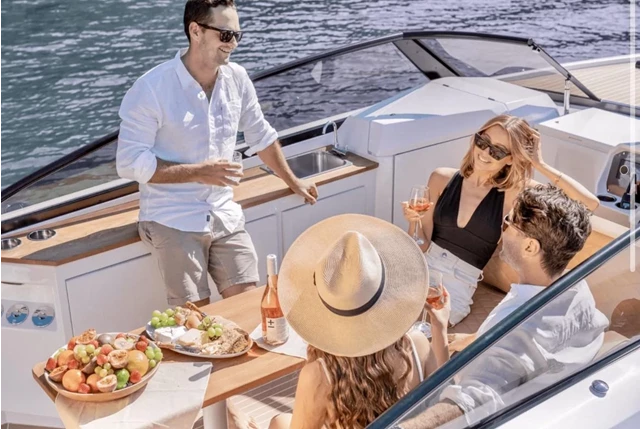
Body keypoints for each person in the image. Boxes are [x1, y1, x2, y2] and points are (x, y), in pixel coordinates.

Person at [116, 0, 318, 306]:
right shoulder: (151, 89)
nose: (233, 43)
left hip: (224, 212)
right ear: (195, 31)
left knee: (250, 304)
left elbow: (261, 135)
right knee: (193, 315)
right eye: (225, 34)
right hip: (172, 216)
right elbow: (130, 163)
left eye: (237, 35)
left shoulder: (237, 78)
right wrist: (199, 172)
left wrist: (294, 181)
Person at [397, 185, 609, 429]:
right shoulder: (578, 289)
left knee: (404, 351)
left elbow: (470, 401)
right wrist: (447, 329)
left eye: (508, 222)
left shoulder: (517, 326)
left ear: (530, 247)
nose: (501, 227)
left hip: (465, 409)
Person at [228, 214, 451, 429]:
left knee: (278, 422)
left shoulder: (320, 374)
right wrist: (439, 327)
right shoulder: (417, 345)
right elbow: (441, 398)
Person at [402, 114, 599, 325]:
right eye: (482, 141)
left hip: (456, 286)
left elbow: (589, 204)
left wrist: (539, 164)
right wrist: (414, 221)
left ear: (511, 159)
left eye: (497, 151)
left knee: (413, 328)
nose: (485, 152)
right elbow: (420, 246)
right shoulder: (441, 178)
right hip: (420, 269)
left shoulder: (513, 194)